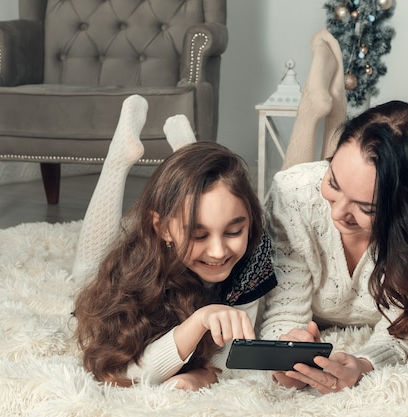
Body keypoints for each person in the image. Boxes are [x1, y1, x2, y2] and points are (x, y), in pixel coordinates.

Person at [260, 100, 408, 395]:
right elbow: (283, 308)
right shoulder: (293, 194)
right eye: (333, 183)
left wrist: (363, 364)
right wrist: (284, 355)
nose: (338, 213)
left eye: (365, 208)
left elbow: (405, 328)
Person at [72, 95, 276, 390]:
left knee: (203, 199)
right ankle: (118, 158)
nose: (219, 252)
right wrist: (199, 321)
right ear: (163, 228)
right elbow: (119, 371)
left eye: (234, 232)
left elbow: (228, 356)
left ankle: (189, 153)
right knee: (87, 271)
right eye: (199, 235)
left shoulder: (251, 257)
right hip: (135, 269)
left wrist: (203, 374)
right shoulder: (135, 273)